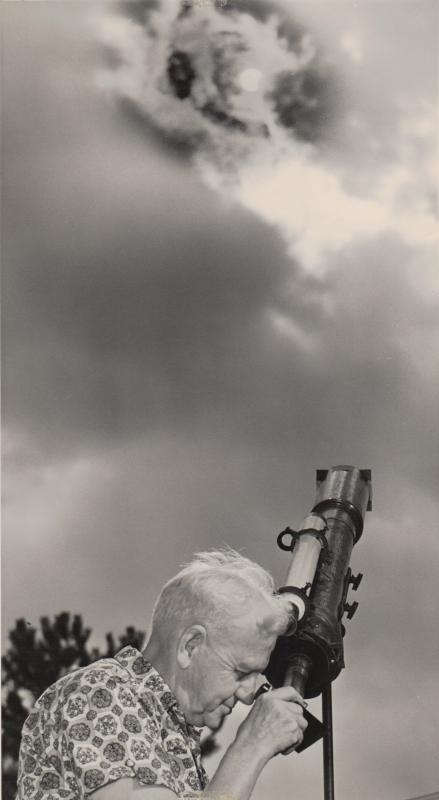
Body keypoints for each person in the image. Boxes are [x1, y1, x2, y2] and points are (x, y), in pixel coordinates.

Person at [16, 548, 307, 799]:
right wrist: (252, 745)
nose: (247, 695)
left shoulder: (165, 727)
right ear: (190, 646)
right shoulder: (101, 694)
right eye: (241, 671)